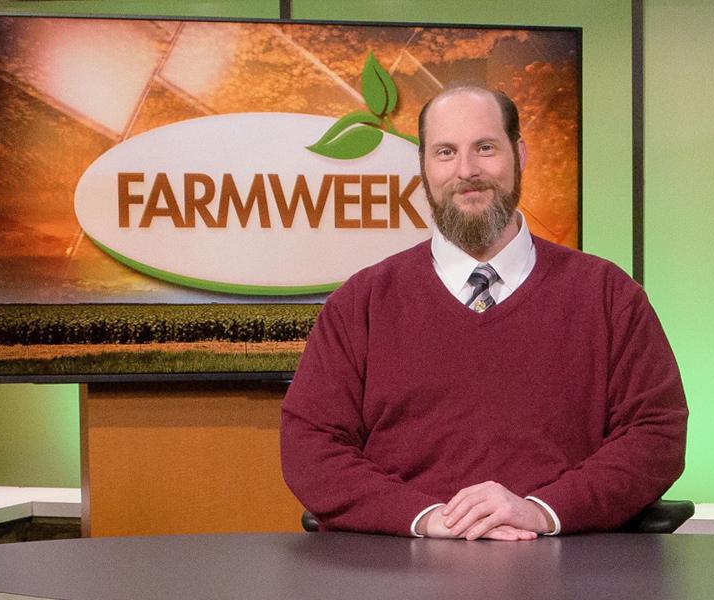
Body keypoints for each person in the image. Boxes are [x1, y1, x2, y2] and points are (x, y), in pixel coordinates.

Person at [281, 85, 687, 540]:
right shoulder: (362, 303)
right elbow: (310, 448)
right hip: (401, 569)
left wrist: (543, 511)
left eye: (486, 148)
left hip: (567, 565)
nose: (467, 171)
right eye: (445, 152)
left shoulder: (609, 295)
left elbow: (655, 436)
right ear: (424, 167)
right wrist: (427, 518)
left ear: (520, 154)